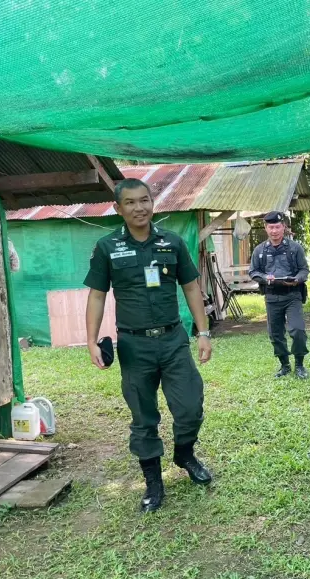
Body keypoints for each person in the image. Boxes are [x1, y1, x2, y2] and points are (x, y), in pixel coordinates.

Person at [84, 178, 214, 513]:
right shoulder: (107, 247)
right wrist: (91, 341)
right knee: (143, 417)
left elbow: (191, 287)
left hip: (173, 341)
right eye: (130, 202)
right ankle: (153, 482)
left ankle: (185, 455)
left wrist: (203, 332)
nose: (139, 208)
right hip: (134, 345)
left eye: (144, 200)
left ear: (152, 203)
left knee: (190, 406)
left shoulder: (172, 242)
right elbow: (97, 295)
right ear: (118, 208)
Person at [248, 211, 310, 379]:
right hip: (272, 296)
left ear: (284, 227)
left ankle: (300, 365)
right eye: (271, 227)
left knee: (298, 330)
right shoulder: (260, 250)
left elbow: (304, 270)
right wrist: (264, 278)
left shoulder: (294, 248)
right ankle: (284, 365)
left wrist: (297, 280)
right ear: (266, 228)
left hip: (292, 295)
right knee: (275, 334)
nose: (274, 231)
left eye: (277, 227)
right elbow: (253, 271)